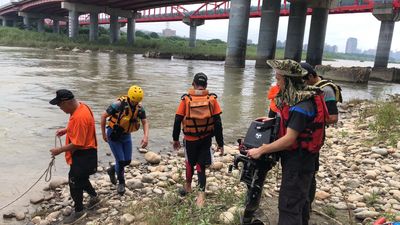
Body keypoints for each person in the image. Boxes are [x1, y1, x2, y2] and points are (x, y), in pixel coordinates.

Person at [247, 60, 328, 225]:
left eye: (279, 80)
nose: (277, 83)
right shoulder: (301, 97)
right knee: (301, 202)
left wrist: (262, 149)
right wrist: (272, 120)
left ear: (289, 81)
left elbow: (289, 139)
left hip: (298, 162)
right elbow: (292, 122)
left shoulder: (301, 105)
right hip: (303, 161)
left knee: (289, 206)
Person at [172, 72, 224, 207]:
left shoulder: (186, 99)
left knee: (190, 162)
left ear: (193, 84)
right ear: (206, 85)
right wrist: (220, 143)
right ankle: (201, 196)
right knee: (201, 165)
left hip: (190, 139)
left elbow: (177, 120)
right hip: (206, 138)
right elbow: (218, 123)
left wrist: (175, 139)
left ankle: (188, 186)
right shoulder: (212, 100)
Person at [49, 89, 99, 224]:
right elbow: (81, 128)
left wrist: (59, 150)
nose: (60, 108)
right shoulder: (82, 107)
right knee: (81, 178)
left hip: (83, 154)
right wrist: (66, 130)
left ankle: (79, 211)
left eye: (60, 105)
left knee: (74, 182)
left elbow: (78, 143)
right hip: (88, 153)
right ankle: (94, 197)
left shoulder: (79, 117)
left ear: (66, 102)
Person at [300, 62, 342, 213]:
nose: (302, 83)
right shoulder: (312, 87)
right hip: (307, 134)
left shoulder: (326, 90)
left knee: (310, 171)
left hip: (315, 136)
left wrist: (306, 118)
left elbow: (333, 118)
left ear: (311, 76)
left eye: (304, 80)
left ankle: (307, 205)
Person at [100, 85, 149, 195]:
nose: (135, 103)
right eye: (133, 101)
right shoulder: (117, 105)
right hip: (113, 135)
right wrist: (103, 134)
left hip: (126, 136)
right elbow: (103, 116)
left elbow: (145, 122)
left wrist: (145, 136)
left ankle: (112, 170)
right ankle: (121, 182)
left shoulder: (140, 108)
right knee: (121, 161)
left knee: (127, 161)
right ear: (130, 97)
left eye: (137, 101)